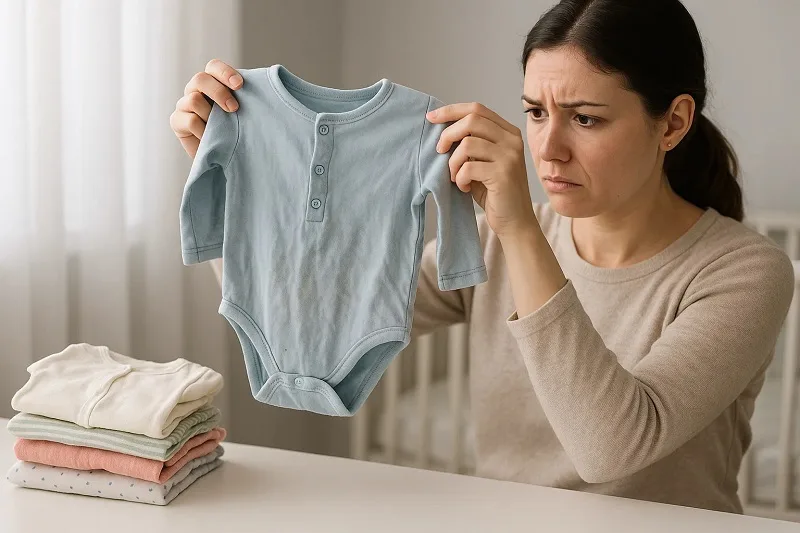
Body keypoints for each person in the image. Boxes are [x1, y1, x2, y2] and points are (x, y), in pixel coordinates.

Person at [170, 0, 795, 513]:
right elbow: (308, 318)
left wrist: (520, 229)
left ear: (673, 123)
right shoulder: (500, 239)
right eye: (535, 112)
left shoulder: (745, 271)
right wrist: (238, 183)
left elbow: (611, 449)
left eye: (585, 119)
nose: (547, 149)